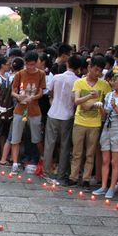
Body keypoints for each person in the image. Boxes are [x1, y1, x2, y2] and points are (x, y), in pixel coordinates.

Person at [69, 55, 110, 189]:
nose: (97, 73)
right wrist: (89, 96)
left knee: (90, 153)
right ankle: (73, 177)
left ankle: (86, 179)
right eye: (95, 70)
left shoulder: (104, 85)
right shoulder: (79, 82)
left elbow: (106, 106)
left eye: (100, 71)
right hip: (80, 121)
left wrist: (100, 107)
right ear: (89, 68)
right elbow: (76, 101)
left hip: (95, 123)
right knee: (77, 152)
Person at [94, 70, 118, 198]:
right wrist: (101, 108)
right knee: (105, 159)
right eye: (111, 80)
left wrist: (115, 107)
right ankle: (104, 186)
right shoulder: (109, 95)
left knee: (114, 161)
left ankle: (112, 187)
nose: (112, 82)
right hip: (107, 127)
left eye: (115, 80)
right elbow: (104, 115)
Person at [6, 51, 45, 174]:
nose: (29, 67)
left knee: (37, 138)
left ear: (37, 63)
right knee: (16, 137)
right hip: (20, 109)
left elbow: (40, 92)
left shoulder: (41, 74)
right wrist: (18, 97)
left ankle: (42, 159)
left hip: (34, 110)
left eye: (32, 64)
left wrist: (32, 98)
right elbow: (13, 91)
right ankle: (15, 164)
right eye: (27, 64)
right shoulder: (20, 74)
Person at [43, 54, 79, 183]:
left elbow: (49, 92)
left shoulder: (57, 77)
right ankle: (61, 173)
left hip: (53, 112)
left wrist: (52, 100)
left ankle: (46, 171)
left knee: (49, 143)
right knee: (65, 146)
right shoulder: (77, 81)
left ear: (68, 64)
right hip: (67, 114)